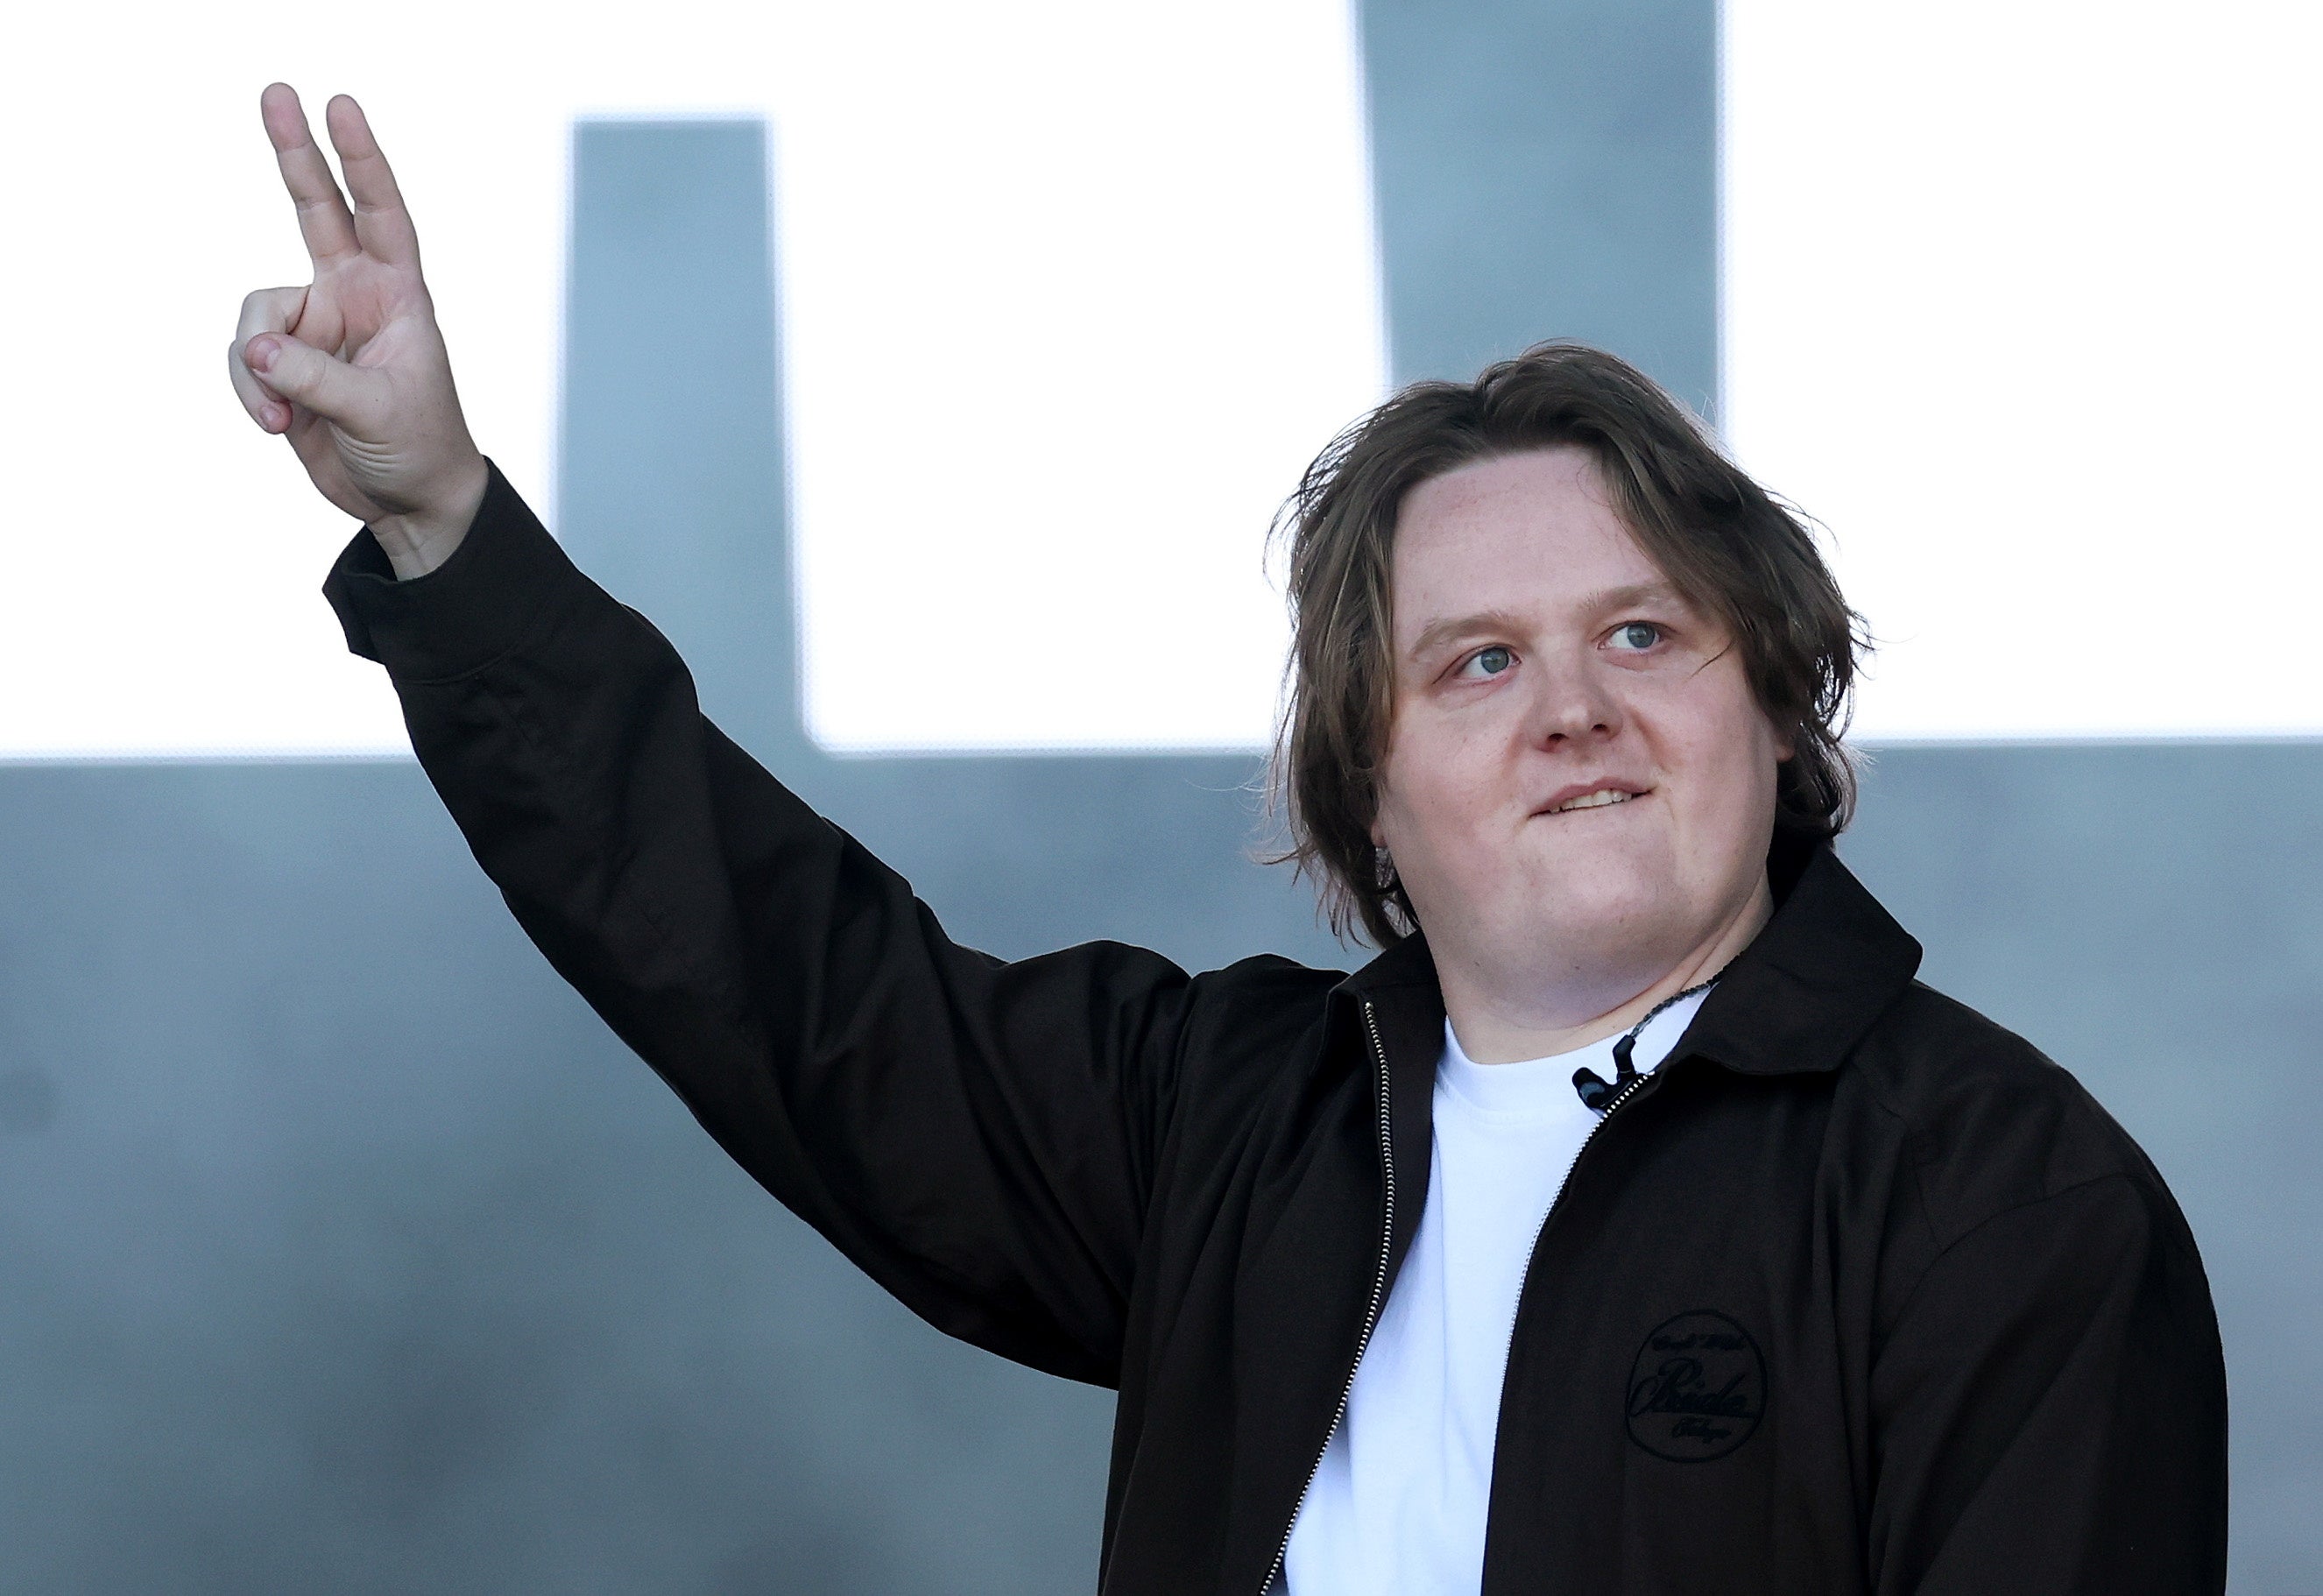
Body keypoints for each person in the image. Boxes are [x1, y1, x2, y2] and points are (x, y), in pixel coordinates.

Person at [227, 84, 2228, 1595]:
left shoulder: (2008, 1197)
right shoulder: (1236, 1125)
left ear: (1777, 709)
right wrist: (446, 534)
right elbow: (783, 974)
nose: (1572, 707)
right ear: (1367, 792)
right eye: (1473, 663)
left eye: (1643, 631)